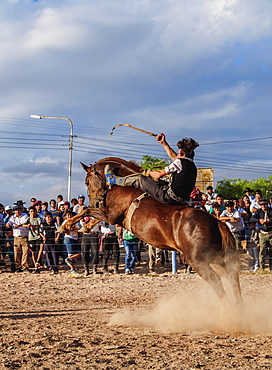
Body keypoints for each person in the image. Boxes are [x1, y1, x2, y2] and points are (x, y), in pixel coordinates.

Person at [104, 133, 199, 205]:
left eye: (179, 154)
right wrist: (164, 143)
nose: (176, 156)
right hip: (182, 200)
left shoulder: (180, 162)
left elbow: (158, 174)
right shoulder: (192, 165)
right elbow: (175, 158)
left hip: (169, 197)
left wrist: (146, 172)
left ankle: (113, 180)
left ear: (184, 155)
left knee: (140, 179)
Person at [250, 199, 272, 271]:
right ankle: (262, 267)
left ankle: (271, 268)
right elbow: (252, 218)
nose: (263, 206)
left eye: (265, 204)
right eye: (262, 205)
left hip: (271, 232)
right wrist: (259, 220)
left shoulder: (271, 210)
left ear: (267, 204)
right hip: (263, 233)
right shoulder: (258, 211)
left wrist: (269, 220)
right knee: (262, 251)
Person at [57, 211, 81, 275]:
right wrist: (71, 228)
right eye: (68, 215)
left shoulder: (75, 222)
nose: (69, 216)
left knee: (80, 253)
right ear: (65, 217)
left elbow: (79, 230)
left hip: (75, 238)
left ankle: (70, 260)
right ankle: (72, 268)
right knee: (70, 254)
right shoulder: (65, 222)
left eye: (70, 215)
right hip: (69, 238)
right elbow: (65, 232)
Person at [6, 206, 29, 272]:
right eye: (16, 210)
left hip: (24, 236)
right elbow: (9, 223)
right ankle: (18, 267)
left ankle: (25, 267)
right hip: (16, 237)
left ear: (21, 210)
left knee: (25, 253)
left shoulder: (24, 215)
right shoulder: (12, 217)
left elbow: (25, 223)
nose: (17, 211)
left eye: (18, 210)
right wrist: (8, 225)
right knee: (17, 253)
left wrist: (18, 225)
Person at [22, 206, 43, 273]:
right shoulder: (28, 219)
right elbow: (23, 224)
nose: (33, 213)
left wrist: (32, 226)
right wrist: (28, 225)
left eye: (34, 211)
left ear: (36, 212)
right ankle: (36, 266)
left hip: (38, 236)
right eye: (31, 211)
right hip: (31, 237)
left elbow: (39, 225)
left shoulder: (38, 218)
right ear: (29, 212)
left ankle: (38, 261)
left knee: (41, 247)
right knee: (33, 252)